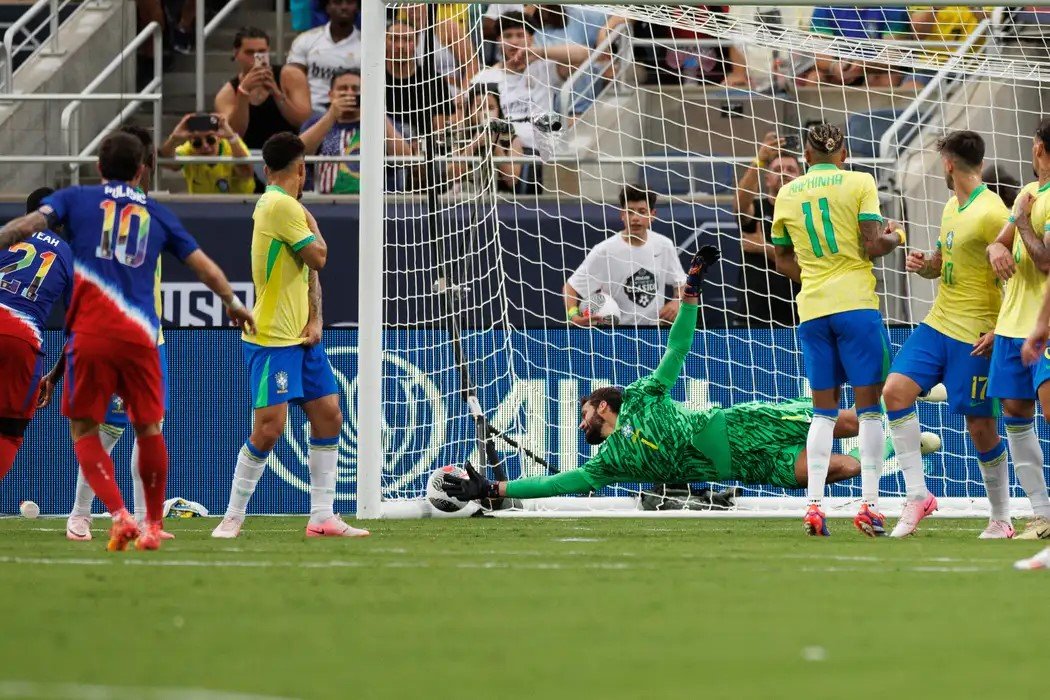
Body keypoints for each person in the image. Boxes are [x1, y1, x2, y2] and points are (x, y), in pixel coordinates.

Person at [443, 249, 938, 503]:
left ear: (603, 405)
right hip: (745, 467)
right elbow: (558, 484)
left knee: (846, 424)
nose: (580, 424)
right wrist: (493, 490)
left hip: (746, 425)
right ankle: (897, 447)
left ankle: (899, 411)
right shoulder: (609, 463)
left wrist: (691, 293)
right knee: (838, 469)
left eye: (584, 412)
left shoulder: (641, 395)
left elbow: (679, 345)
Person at [0, 132, 254, 551]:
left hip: (92, 333)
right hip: (141, 335)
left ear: (98, 167)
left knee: (85, 429)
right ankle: (151, 525)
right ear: (142, 170)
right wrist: (232, 301)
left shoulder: (76, 200)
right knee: (149, 428)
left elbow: (25, 226)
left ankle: (118, 515)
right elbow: (203, 265)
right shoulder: (157, 213)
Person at [211, 132, 368, 539]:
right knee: (268, 428)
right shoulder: (282, 206)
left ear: (266, 169)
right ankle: (232, 516)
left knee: (329, 415)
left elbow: (308, 272)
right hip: (273, 339)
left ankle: (321, 516)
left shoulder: (283, 206)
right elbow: (319, 256)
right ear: (302, 169)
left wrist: (316, 320)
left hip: (300, 338)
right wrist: (313, 222)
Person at [771, 123, 903, 537]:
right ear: (842, 152)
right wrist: (897, 235)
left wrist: (813, 278)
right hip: (856, 306)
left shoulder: (787, 193)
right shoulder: (860, 181)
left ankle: (813, 506)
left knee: (823, 412)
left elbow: (781, 258)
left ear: (806, 156)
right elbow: (872, 245)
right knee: (869, 409)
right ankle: (868, 506)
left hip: (812, 310)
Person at [882, 131, 1011, 539]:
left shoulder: (993, 212)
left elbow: (1018, 273)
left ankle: (1002, 517)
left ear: (949, 163)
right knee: (895, 392)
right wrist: (927, 265)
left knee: (980, 427)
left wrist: (1001, 329)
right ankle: (918, 496)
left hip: (976, 334)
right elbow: (944, 262)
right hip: (938, 323)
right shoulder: (953, 206)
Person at [58, 124, 176, 543]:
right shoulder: (111, 218)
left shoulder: (152, 215)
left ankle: (146, 521)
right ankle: (82, 515)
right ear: (141, 168)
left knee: (146, 427)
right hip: (111, 333)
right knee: (106, 428)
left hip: (147, 337)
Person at [982, 118, 1050, 541]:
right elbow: (1002, 241)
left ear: (1040, 148)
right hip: (1011, 324)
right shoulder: (1029, 194)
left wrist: (1023, 224)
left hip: (1043, 324)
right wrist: (994, 247)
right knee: (1015, 412)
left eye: (1033, 145)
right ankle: (1042, 514)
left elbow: (1045, 261)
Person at [0, 189, 73, 486]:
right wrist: (54, 377)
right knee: (8, 431)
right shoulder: (68, 254)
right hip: (22, 336)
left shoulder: (7, 233)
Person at [564, 185, 687, 327]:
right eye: (629, 212)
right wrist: (573, 316)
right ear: (622, 215)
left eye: (642, 212)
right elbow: (570, 287)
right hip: (617, 333)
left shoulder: (664, 245)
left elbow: (682, 284)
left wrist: (678, 301)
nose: (635, 218)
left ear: (652, 215)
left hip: (655, 334)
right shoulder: (605, 250)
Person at [470, 11, 589, 153]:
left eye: (520, 35)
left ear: (531, 39)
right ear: (499, 41)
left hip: (540, 152)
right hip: (502, 152)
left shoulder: (544, 68)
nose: (514, 42)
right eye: (507, 36)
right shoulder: (484, 78)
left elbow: (585, 54)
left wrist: (540, 53)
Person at [300, 69, 415, 195]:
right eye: (343, 89)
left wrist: (377, 111)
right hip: (325, 203)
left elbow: (405, 158)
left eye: (356, 89)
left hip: (376, 204)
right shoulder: (316, 122)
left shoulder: (384, 123)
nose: (349, 93)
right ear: (331, 95)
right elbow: (298, 153)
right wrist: (331, 116)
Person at [732, 132, 801, 328]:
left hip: (798, 313)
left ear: (800, 178)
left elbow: (806, 263)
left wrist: (764, 248)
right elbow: (740, 208)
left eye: (790, 169)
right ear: (768, 178)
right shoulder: (758, 209)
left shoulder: (807, 213)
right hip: (754, 314)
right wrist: (759, 161)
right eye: (778, 169)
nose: (784, 173)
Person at [214, 27, 312, 151]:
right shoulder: (227, 93)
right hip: (248, 156)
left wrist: (277, 94)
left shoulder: (290, 75)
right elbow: (234, 134)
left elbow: (304, 121)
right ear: (236, 53)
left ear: (268, 51)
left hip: (287, 154)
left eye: (261, 52)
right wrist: (243, 92)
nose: (255, 58)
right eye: (249, 52)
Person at [446, 85, 527, 192]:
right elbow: (452, 176)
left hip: (501, 198)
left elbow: (511, 180)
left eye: (491, 108)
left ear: (499, 112)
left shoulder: (512, 139)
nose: (485, 113)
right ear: (470, 111)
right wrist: (474, 145)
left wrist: (495, 145)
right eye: (479, 108)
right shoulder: (459, 137)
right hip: (464, 195)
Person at [385, 20, 455, 140]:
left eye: (407, 39)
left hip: (423, 152)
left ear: (417, 42)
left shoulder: (433, 80)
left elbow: (441, 128)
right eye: (394, 39)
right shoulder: (375, 80)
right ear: (384, 41)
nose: (400, 46)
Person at [286, 0, 361, 110]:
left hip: (353, 113)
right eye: (337, 2)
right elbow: (291, 78)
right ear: (327, 7)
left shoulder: (367, 45)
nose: (344, 7)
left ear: (357, 7)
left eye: (350, 2)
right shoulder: (305, 40)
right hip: (312, 114)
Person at [159, 113, 255, 195]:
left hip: (238, 207)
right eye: (197, 143)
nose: (205, 146)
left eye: (210, 140)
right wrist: (174, 138)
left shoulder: (233, 146)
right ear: (189, 141)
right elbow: (166, 162)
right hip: (201, 208)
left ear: (219, 137)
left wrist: (231, 138)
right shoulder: (188, 150)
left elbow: (246, 173)